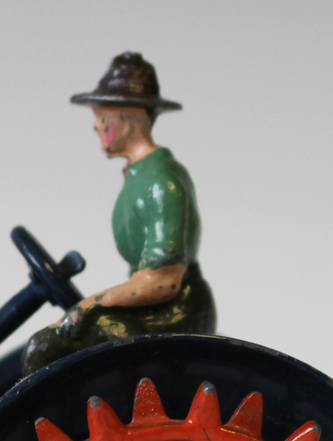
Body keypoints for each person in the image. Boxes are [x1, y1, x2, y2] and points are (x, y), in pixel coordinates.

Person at [22, 52, 215, 376]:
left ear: (130, 120)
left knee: (46, 347)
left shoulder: (161, 182)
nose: (97, 126)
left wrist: (92, 303)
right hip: (158, 304)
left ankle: (36, 425)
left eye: (103, 118)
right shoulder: (138, 176)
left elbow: (164, 282)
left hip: (176, 311)